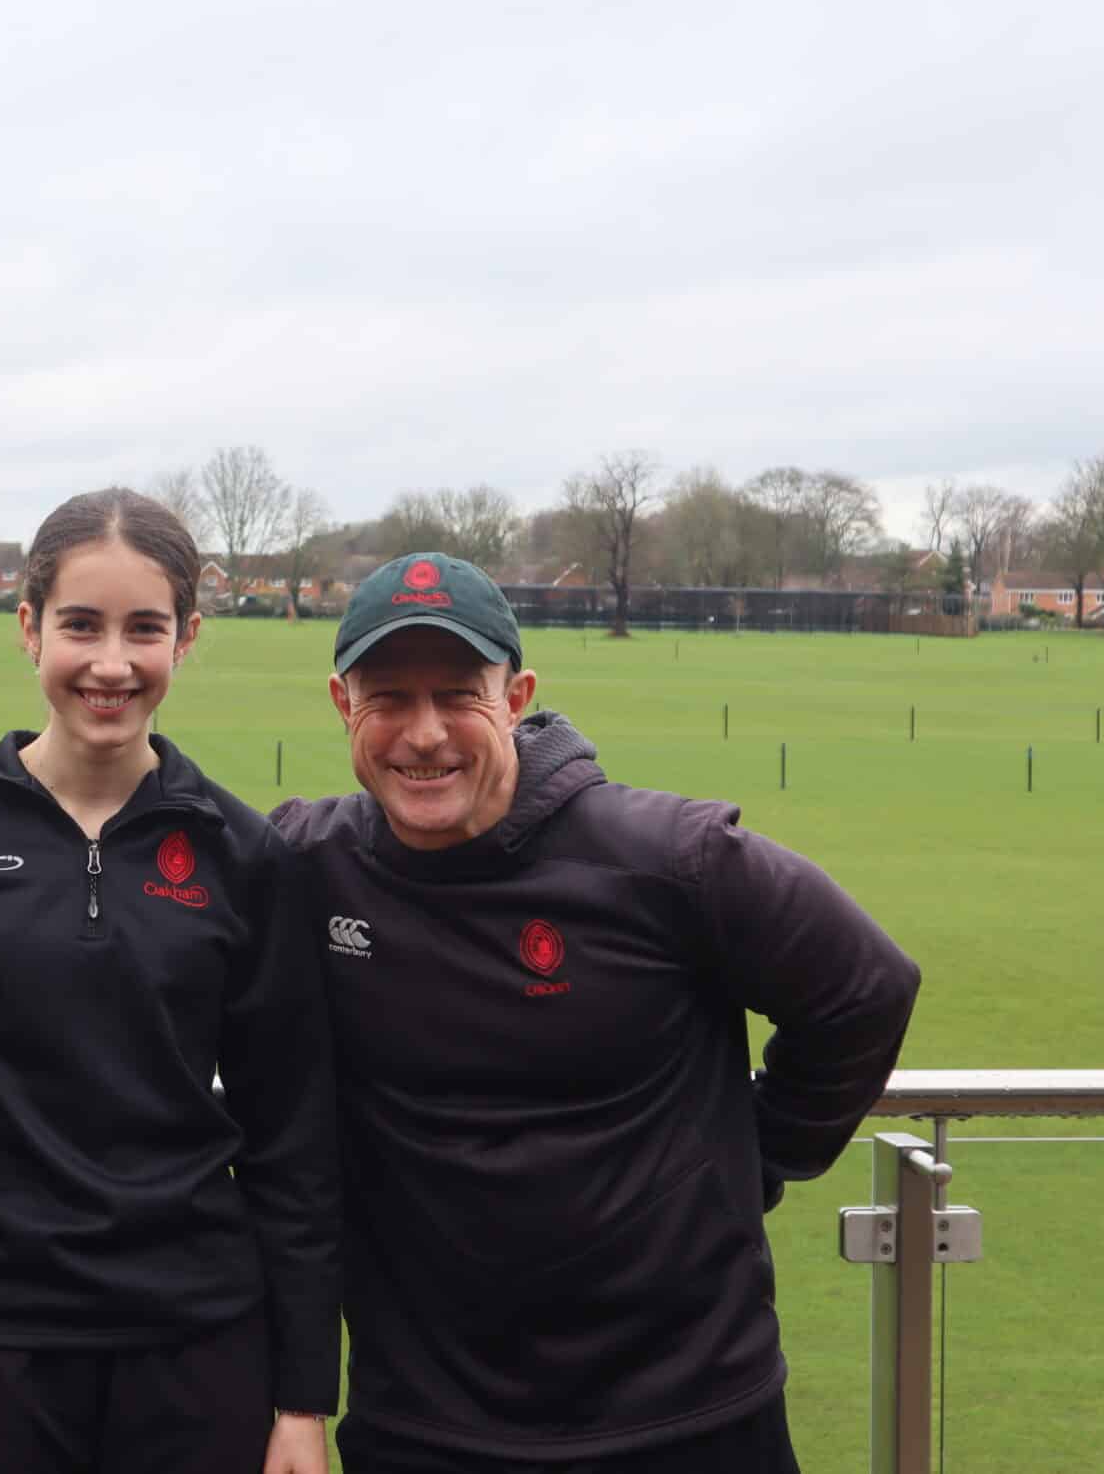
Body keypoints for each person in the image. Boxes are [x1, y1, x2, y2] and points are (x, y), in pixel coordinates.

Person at [271, 553, 922, 1474]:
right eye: (389, 698)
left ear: (518, 692)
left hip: (691, 1421)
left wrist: (751, 1157)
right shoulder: (310, 862)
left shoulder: (669, 859)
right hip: (426, 1429)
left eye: (459, 693)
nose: (423, 734)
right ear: (344, 704)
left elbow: (866, 986)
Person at [0, 487, 341, 1474]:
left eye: (146, 629)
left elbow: (292, 1144)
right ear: (27, 627)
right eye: (80, 626)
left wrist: (303, 1398)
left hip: (198, 1342)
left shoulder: (242, 854)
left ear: (189, 638)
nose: (111, 663)